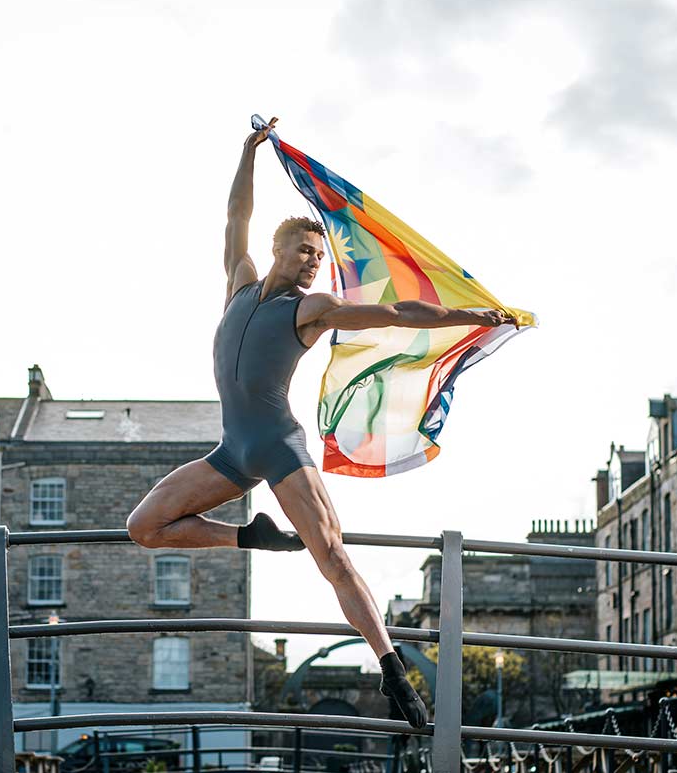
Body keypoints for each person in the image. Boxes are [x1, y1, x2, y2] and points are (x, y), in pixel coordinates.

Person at [126, 117, 513, 728]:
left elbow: (394, 310)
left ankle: (393, 672)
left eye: (318, 255)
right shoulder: (239, 284)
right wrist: (249, 152)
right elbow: (235, 217)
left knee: (330, 554)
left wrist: (470, 314)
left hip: (280, 451)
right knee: (144, 525)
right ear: (280, 249)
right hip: (231, 454)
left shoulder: (311, 309)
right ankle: (249, 536)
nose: (313, 262)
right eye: (304, 251)